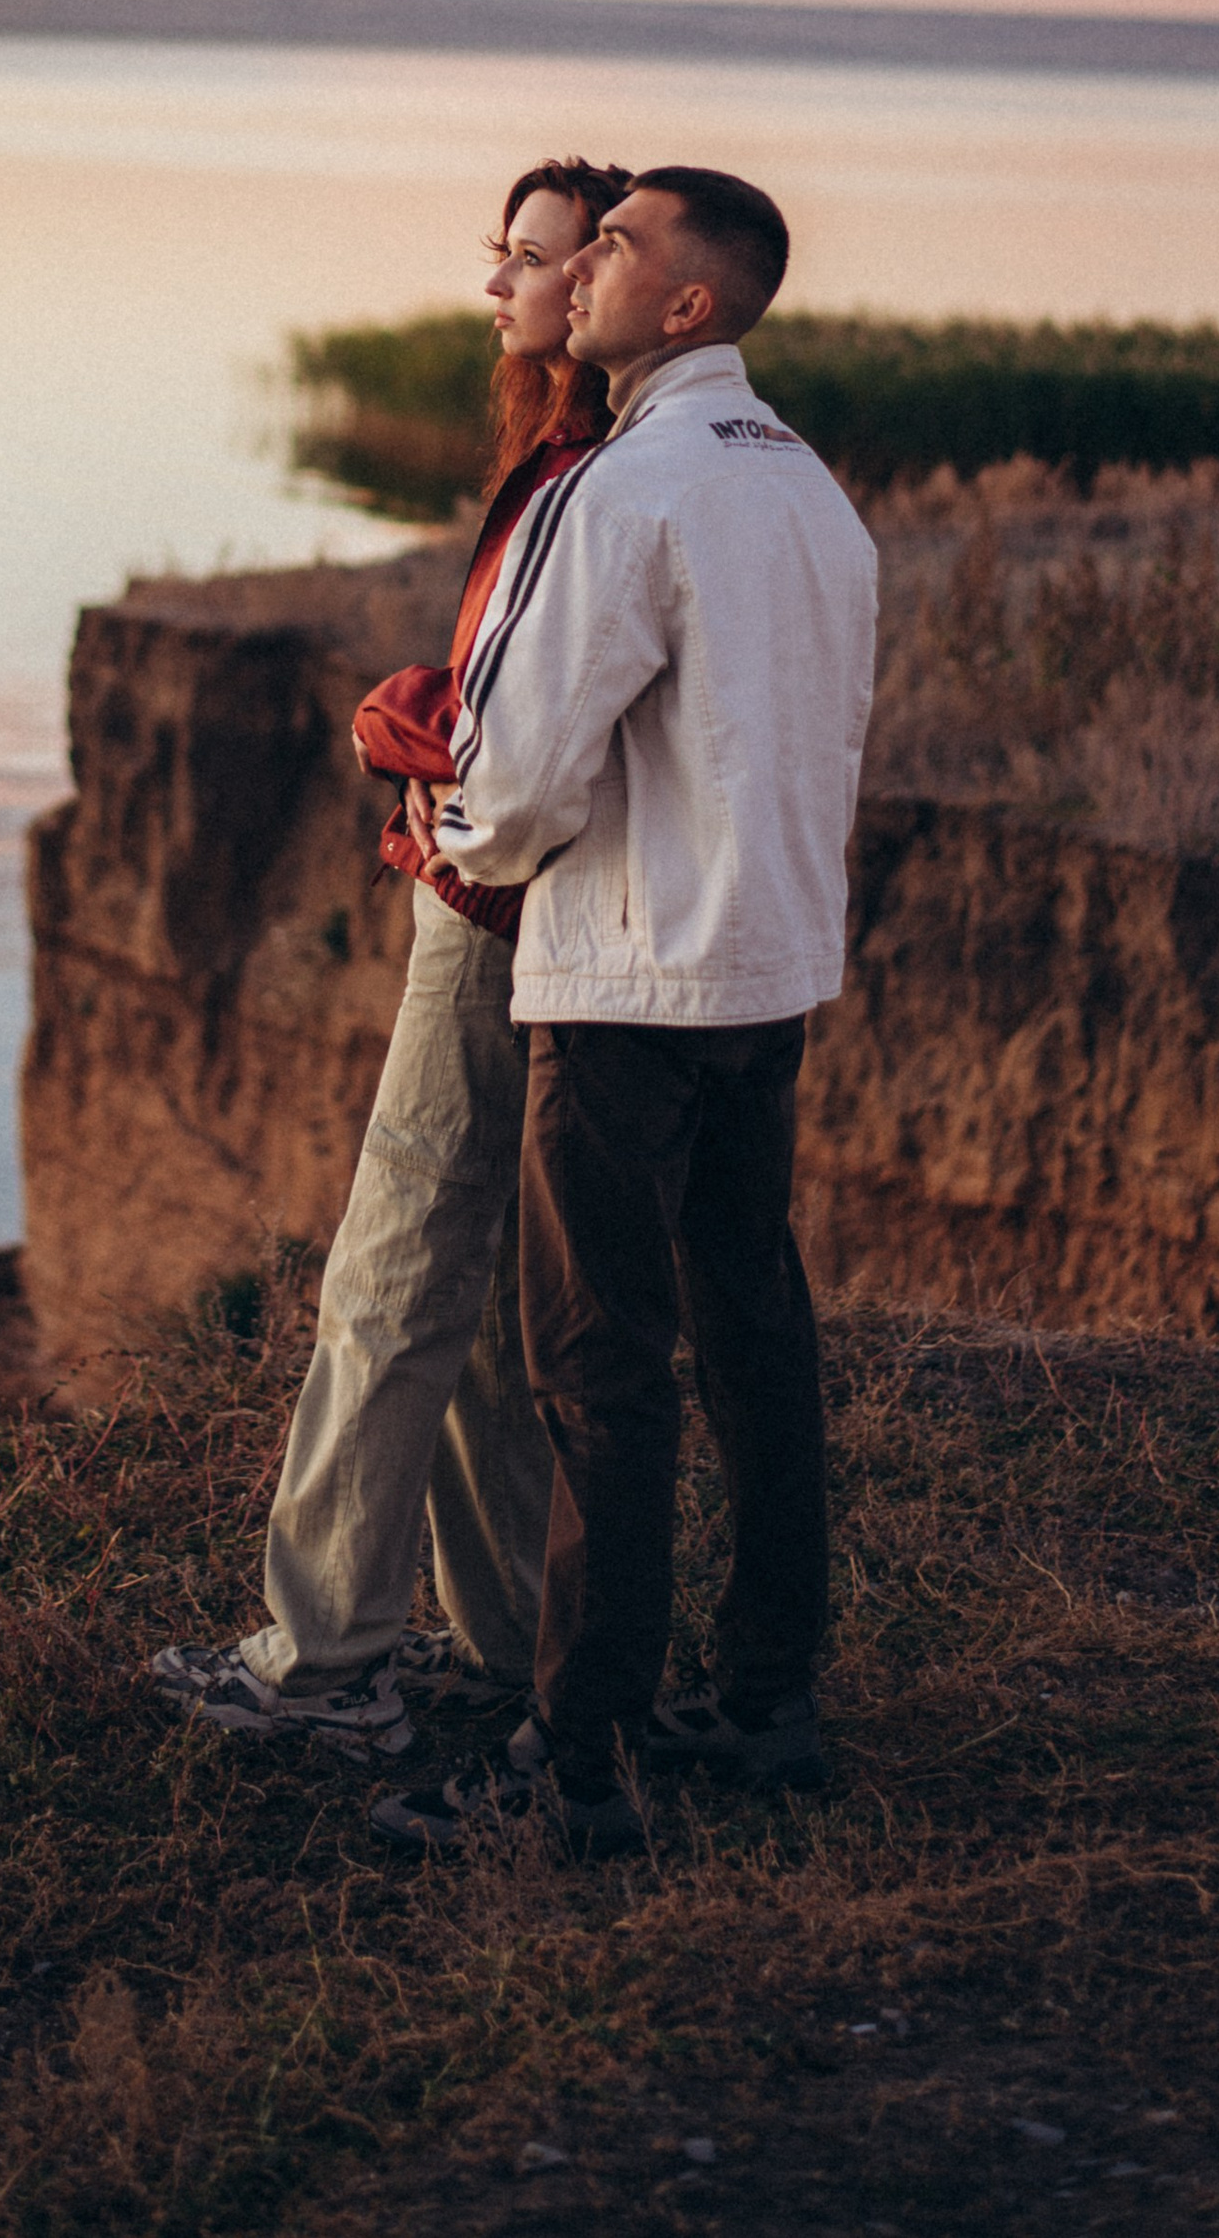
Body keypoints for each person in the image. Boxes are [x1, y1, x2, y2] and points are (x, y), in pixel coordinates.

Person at [369, 167, 880, 1859]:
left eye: (617, 241)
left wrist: (427, 817)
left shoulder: (625, 487)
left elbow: (510, 778)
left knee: (601, 1372)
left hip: (624, 988)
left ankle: (573, 1764)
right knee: (756, 1338)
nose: (578, 262)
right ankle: (769, 1708)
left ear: (684, 307)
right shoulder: (811, 489)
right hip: (768, 977)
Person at [147, 155, 636, 1756]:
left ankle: (322, 1666)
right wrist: (435, 722)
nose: (499, 283)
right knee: (479, 1305)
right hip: (517, 901)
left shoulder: (594, 474)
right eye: (501, 252)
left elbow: (548, 745)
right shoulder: (577, 456)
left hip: (491, 913)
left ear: (609, 282)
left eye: (534, 257)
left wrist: (433, 769)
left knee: (389, 1276)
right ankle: (499, 1647)